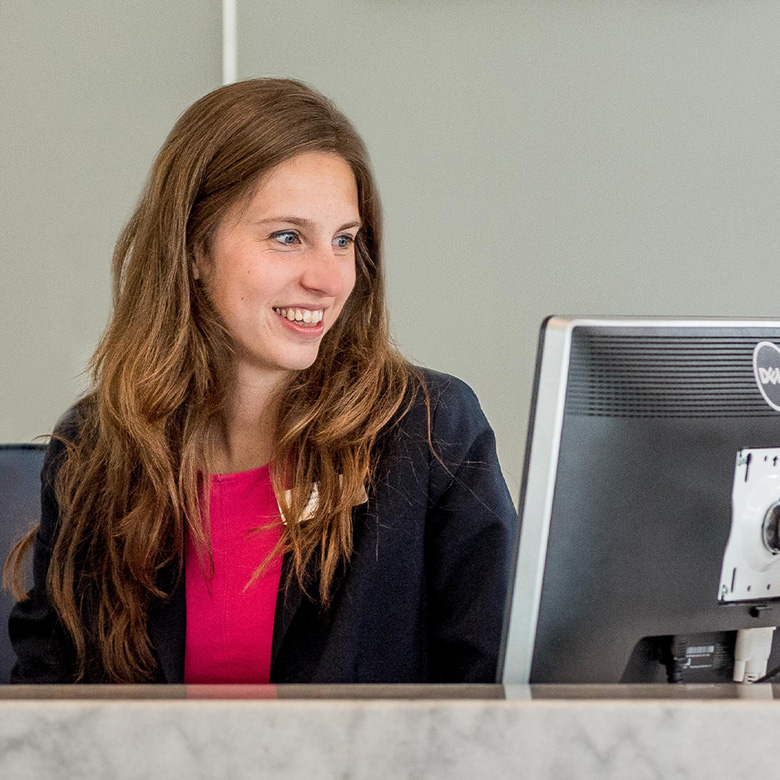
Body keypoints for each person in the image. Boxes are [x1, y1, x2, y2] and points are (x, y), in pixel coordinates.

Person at [4, 78, 517, 684]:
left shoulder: (429, 429)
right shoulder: (96, 448)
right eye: (287, 236)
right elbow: (51, 707)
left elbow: (493, 692)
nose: (329, 280)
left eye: (344, 240)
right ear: (194, 249)